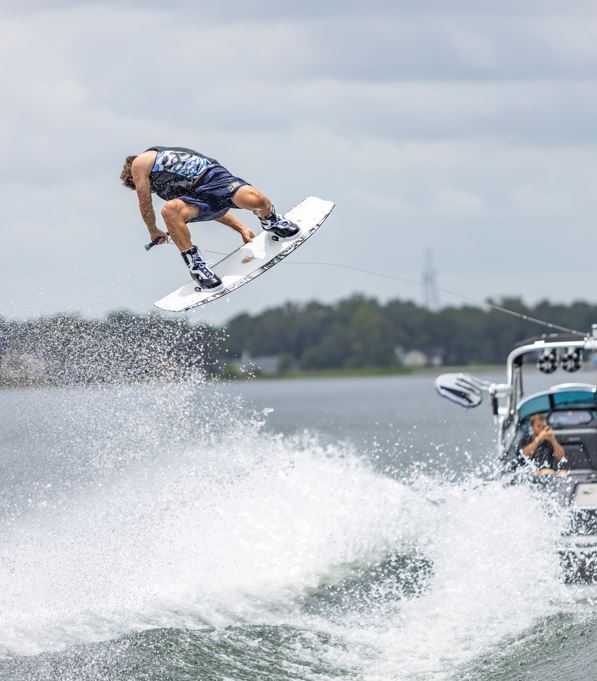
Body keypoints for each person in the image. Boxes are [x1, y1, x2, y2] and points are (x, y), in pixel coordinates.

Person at [120, 146, 300, 290]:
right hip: (202, 196)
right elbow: (212, 208)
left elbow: (144, 202)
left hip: (212, 176)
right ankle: (196, 267)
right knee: (170, 210)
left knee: (258, 200)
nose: (147, 189)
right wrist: (242, 229)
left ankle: (271, 220)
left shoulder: (140, 162)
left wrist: (153, 231)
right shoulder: (165, 188)